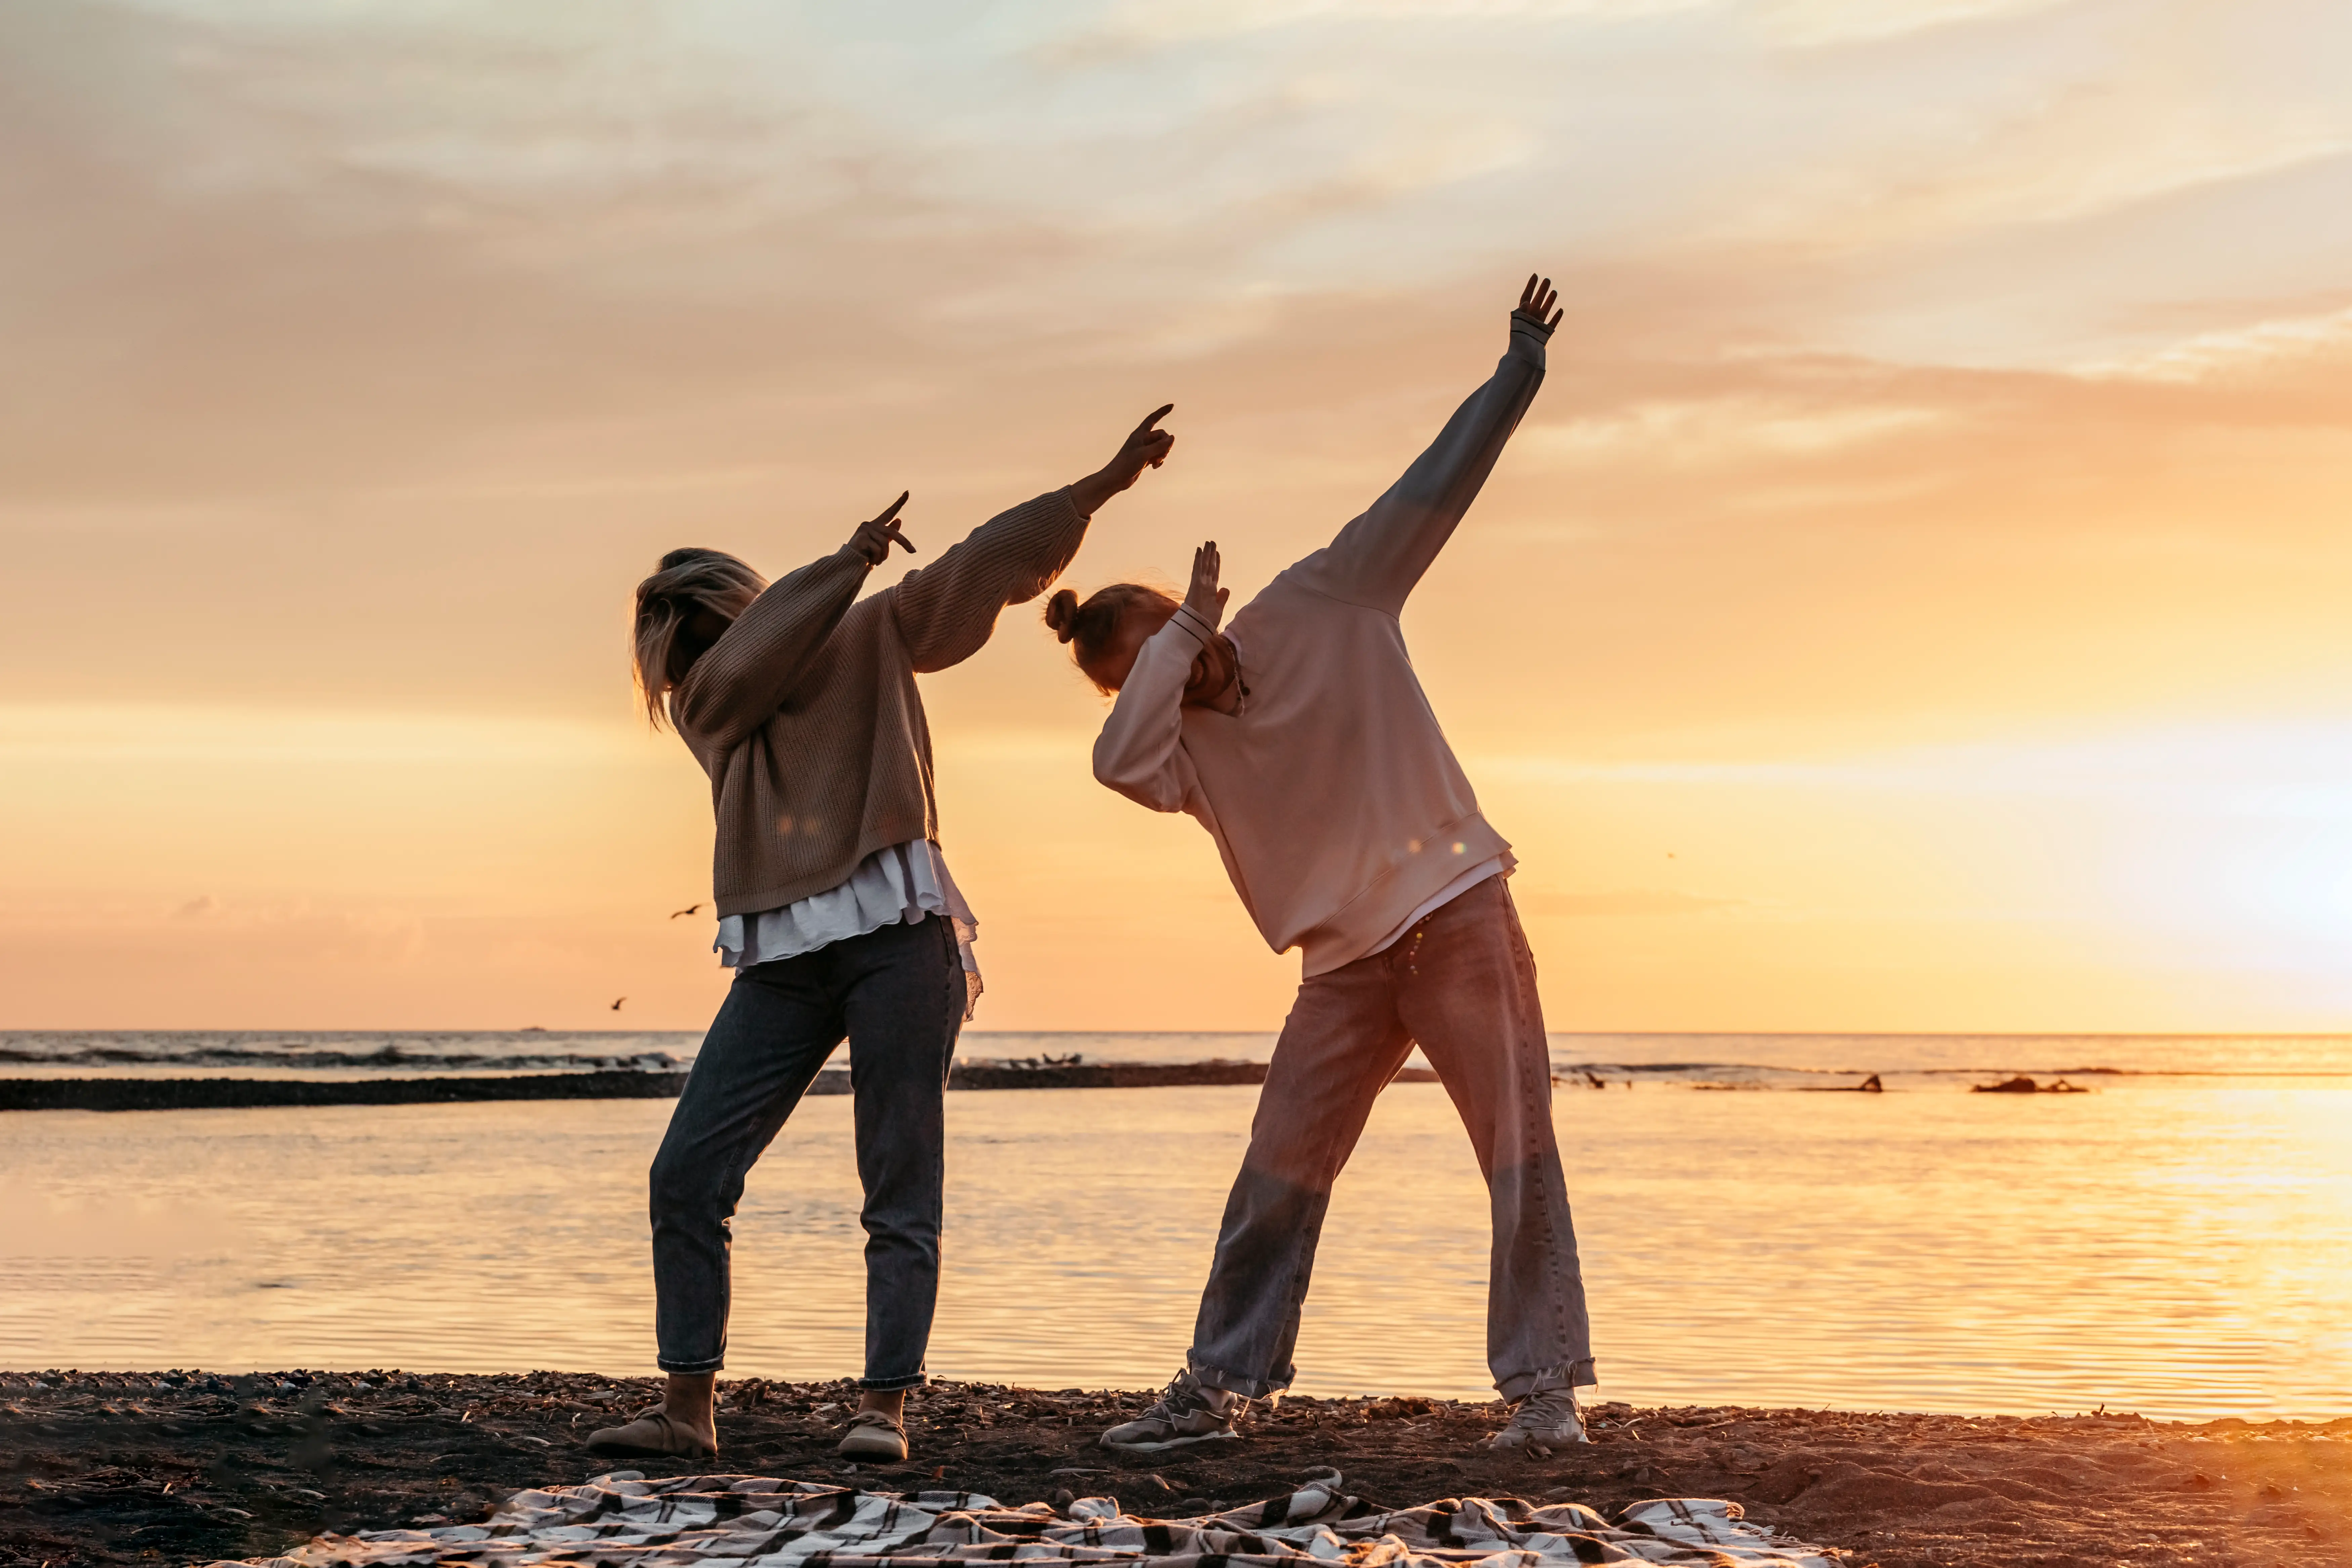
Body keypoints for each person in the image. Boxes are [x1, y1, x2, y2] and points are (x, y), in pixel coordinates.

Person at [1045, 276, 1592, 1453]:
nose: (1185, 676)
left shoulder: (1324, 600)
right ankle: (1219, 1388)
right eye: (1151, 670)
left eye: (1180, 644)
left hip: (1456, 914)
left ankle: (1543, 1395)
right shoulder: (1175, 755)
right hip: (1341, 967)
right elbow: (1112, 762)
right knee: (1278, 1174)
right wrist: (1175, 642)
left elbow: (1430, 491)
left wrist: (1518, 372)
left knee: (1516, 1150)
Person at [588, 405, 1176, 1466]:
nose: (676, 669)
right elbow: (742, 671)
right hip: (782, 962)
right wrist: (845, 560)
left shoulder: (869, 632)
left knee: (897, 1181)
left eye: (684, 635)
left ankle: (884, 1408)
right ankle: (685, 1405)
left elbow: (984, 565)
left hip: (903, 937)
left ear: (726, 608)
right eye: (670, 652)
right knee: (687, 1176)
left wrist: (1100, 486)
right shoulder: (712, 704)